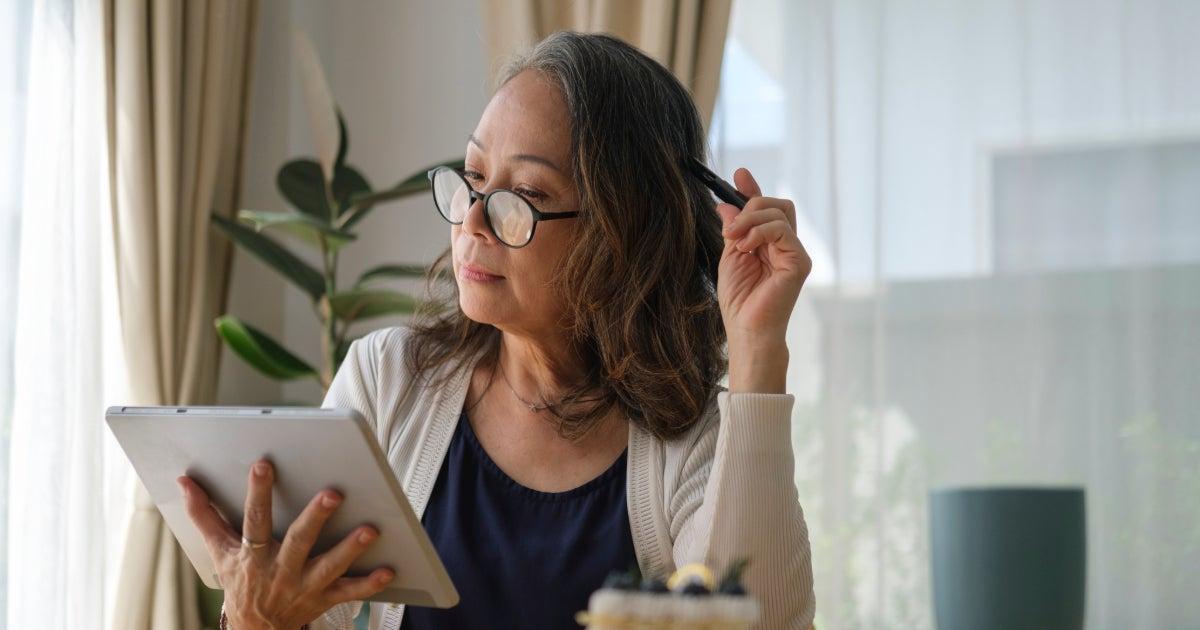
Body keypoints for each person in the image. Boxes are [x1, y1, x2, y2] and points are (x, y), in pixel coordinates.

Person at [180, 31, 815, 630]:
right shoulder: (387, 382)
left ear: (620, 230)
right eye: (474, 177)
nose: (474, 222)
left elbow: (760, 619)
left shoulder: (693, 437)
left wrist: (760, 350)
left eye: (528, 195)